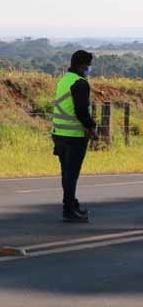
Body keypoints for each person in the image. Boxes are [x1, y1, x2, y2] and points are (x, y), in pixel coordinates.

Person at [52, 50, 98, 223]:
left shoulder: (64, 80)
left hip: (59, 134)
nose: (89, 69)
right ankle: (69, 210)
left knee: (66, 173)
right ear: (83, 65)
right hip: (74, 136)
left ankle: (71, 203)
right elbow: (81, 110)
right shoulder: (80, 83)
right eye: (88, 65)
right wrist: (91, 127)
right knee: (71, 175)